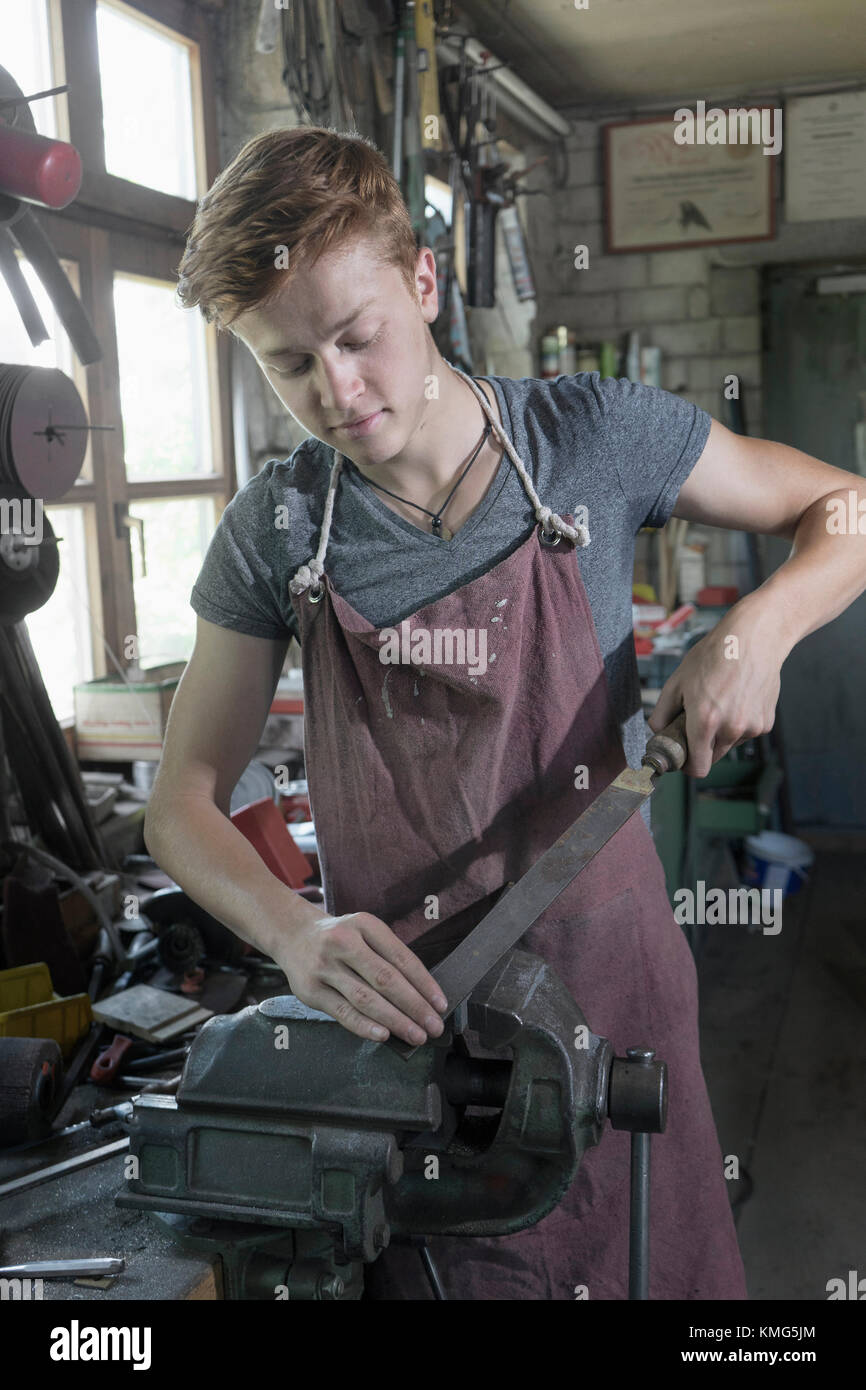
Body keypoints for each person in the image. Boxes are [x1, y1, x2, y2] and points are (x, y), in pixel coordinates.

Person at [145, 126, 866, 1301]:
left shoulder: (587, 439)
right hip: (418, 1058)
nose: (337, 391)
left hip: (615, 1000)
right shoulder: (278, 533)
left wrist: (756, 632)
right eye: (287, 365)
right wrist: (291, 934)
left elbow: (845, 509)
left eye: (356, 336)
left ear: (423, 279)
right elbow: (179, 806)